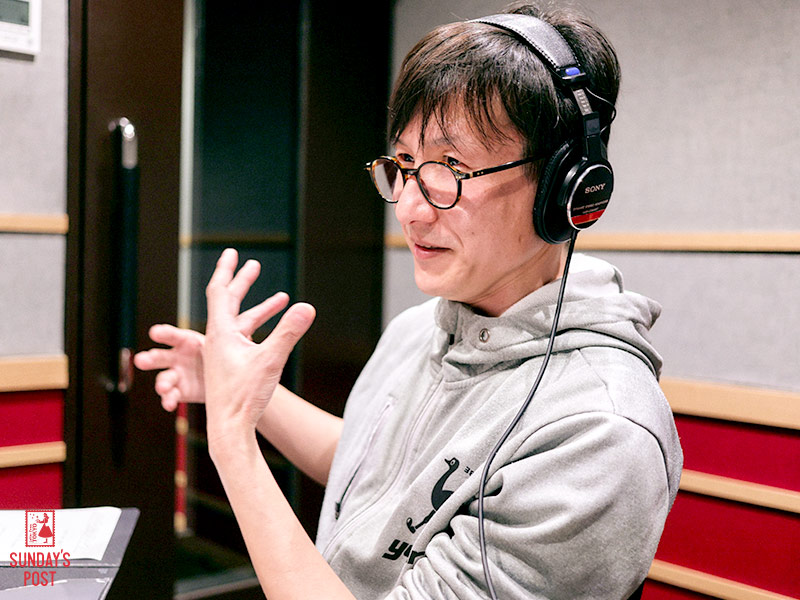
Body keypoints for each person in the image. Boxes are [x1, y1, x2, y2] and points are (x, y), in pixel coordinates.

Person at [134, 2, 682, 598]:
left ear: (564, 186)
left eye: (451, 167)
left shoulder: (599, 432)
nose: (411, 209)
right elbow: (375, 474)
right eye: (405, 164)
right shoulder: (421, 326)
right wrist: (244, 394)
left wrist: (232, 441)